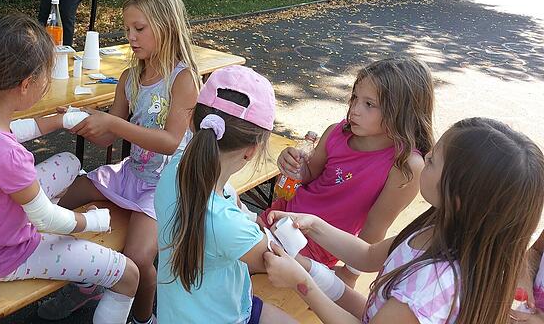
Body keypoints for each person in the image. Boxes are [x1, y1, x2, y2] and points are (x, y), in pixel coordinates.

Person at [0, 14, 139, 324]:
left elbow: (15, 129)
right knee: (128, 274)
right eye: (46, 72)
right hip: (2, 257)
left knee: (70, 162)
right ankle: (88, 286)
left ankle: (83, 279)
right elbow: (47, 219)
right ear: (26, 84)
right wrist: (92, 221)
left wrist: (60, 120)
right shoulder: (8, 157)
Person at [263, 117, 544, 324]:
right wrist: (314, 224)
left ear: (458, 196)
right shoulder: (440, 225)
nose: (427, 154)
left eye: (434, 160)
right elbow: (368, 255)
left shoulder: (433, 283)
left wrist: (303, 283)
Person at [40, 0, 201, 324]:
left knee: (139, 260)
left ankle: (144, 319)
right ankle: (90, 279)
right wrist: (82, 123)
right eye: (128, 29)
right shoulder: (130, 77)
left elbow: (171, 141)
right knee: (55, 202)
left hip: (166, 186)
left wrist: (111, 121)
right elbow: (109, 135)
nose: (131, 37)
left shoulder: (182, 79)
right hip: (132, 173)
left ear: (166, 25)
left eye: (139, 29)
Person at [258, 57, 434, 288]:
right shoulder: (336, 132)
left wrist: (348, 277)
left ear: (402, 111)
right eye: (354, 98)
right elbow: (310, 173)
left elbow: (374, 228)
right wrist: (294, 165)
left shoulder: (405, 166)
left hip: (319, 246)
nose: (354, 110)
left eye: (369, 104)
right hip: (283, 215)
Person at [155, 65, 297, 323]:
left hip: (183, 311)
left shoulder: (175, 167)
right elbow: (279, 260)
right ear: (251, 151)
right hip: (226, 315)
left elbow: (230, 201)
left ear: (192, 122)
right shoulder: (227, 225)